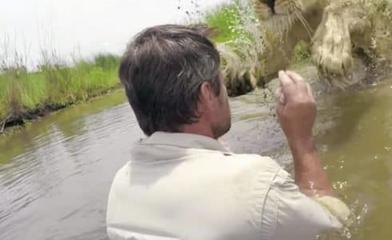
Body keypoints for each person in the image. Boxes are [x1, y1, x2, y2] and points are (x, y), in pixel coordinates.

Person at [105, 24, 349, 240]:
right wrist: (301, 139)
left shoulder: (121, 187)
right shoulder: (256, 182)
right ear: (206, 95)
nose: (226, 93)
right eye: (221, 83)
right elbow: (334, 227)